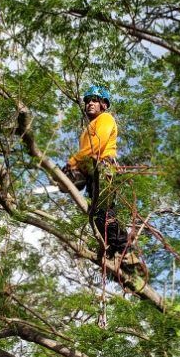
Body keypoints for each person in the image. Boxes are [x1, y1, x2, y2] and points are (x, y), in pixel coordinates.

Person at [62, 85, 142, 267]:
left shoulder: (105, 119)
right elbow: (87, 155)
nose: (89, 103)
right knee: (98, 215)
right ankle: (115, 252)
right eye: (87, 100)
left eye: (94, 100)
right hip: (92, 172)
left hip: (104, 168)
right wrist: (75, 173)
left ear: (104, 105)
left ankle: (126, 252)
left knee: (104, 213)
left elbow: (97, 145)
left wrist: (72, 163)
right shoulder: (87, 129)